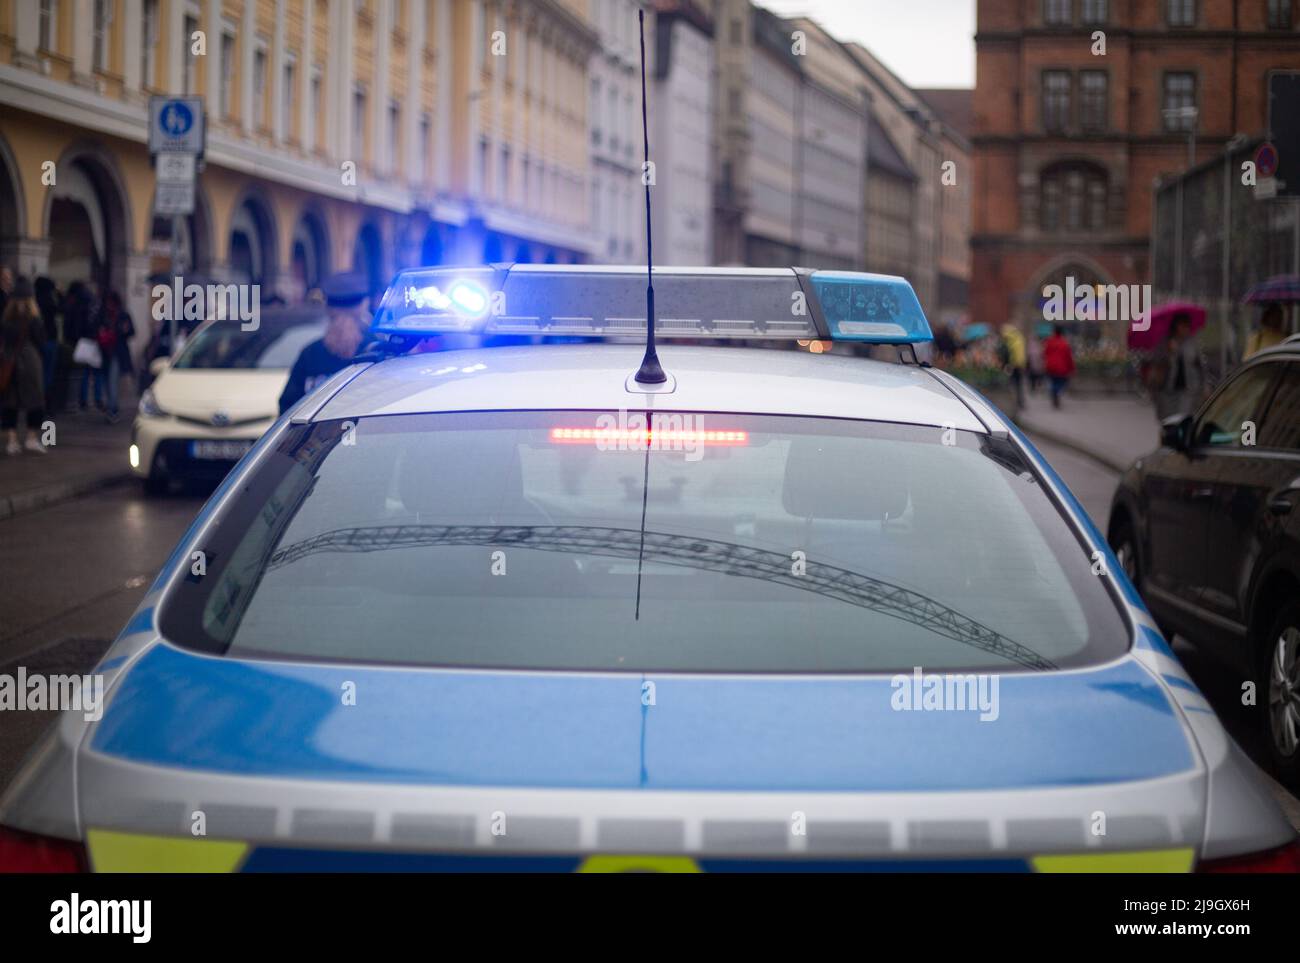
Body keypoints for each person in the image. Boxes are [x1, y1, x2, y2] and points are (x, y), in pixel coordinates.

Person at [278, 272, 372, 414]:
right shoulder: (380, 350)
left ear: (328, 308)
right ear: (363, 305)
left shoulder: (310, 353)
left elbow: (288, 407)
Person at [1, 276, 50, 455]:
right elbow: (42, 340)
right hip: (30, 364)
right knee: (35, 402)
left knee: (10, 403)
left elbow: (6, 339)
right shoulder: (34, 319)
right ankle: (31, 438)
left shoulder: (7, 318)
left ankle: (12, 441)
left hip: (10, 363)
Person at [1155, 312, 1206, 421]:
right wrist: (1169, 353)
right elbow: (1158, 363)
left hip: (1188, 388)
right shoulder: (1165, 342)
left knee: (1184, 419)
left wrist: (1204, 386)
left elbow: (1200, 365)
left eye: (1187, 326)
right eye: (1182, 326)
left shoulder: (1192, 342)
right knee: (1168, 420)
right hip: (1168, 389)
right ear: (1176, 326)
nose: (1185, 329)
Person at [100, 289, 135, 423]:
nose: (109, 305)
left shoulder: (123, 315)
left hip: (117, 353)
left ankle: (112, 409)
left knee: (112, 381)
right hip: (104, 352)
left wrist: (123, 330)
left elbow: (131, 331)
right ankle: (112, 407)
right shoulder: (103, 315)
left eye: (111, 302)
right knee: (106, 382)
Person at [33, 277, 62, 408]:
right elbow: (61, 309)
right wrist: (60, 293)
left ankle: (38, 402)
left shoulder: (34, 301)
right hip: (49, 340)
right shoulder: (49, 301)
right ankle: (46, 403)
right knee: (48, 373)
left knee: (39, 373)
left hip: (36, 342)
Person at [1043, 324, 1075, 409]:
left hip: (1051, 367)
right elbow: (1069, 357)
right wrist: (1072, 368)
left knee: (1053, 382)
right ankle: (1056, 392)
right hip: (1062, 368)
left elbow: (1044, 354)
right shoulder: (1064, 343)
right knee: (1061, 383)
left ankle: (1054, 392)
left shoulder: (1049, 342)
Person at [999, 323, 1027, 408]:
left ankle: (1013, 402)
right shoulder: (1020, 338)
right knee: (1019, 385)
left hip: (1013, 365)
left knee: (1011, 384)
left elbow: (1011, 354)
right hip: (1020, 365)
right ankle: (1020, 402)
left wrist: (1010, 364)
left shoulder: (1010, 339)